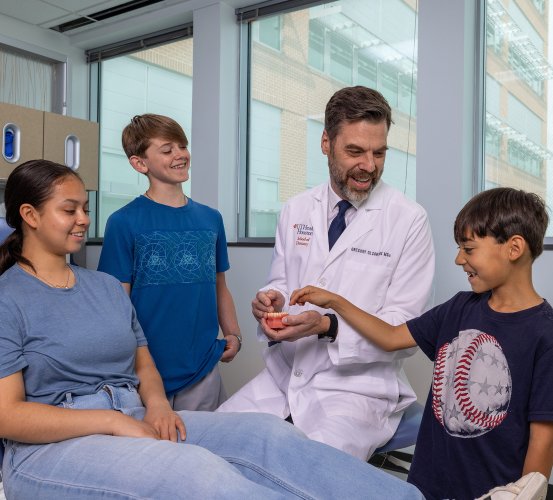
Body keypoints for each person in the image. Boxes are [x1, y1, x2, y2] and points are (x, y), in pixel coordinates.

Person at [0, 159, 425, 499]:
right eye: (69, 210)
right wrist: (110, 422)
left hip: (134, 413)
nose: (84, 220)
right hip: (50, 447)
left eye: (86, 209)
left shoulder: (105, 287)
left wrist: (158, 407)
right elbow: (8, 416)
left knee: (264, 434)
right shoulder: (9, 296)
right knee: (197, 471)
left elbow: (142, 363)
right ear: (29, 215)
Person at [289, 187, 553, 499]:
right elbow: (390, 336)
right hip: (425, 489)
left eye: (468, 249)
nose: (458, 259)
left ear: (514, 248)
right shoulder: (458, 308)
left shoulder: (544, 334)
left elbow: (543, 440)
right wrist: (336, 301)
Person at [217, 86, 435, 460]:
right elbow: (284, 282)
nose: (369, 165)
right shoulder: (297, 209)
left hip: (357, 388)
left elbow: (406, 328)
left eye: (379, 152)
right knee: (212, 443)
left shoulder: (409, 220)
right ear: (326, 143)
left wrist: (328, 326)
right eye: (355, 151)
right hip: (285, 375)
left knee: (309, 470)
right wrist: (272, 301)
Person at [98, 114, 240, 411]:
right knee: (155, 455)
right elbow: (115, 303)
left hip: (203, 366)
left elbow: (220, 286)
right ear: (140, 163)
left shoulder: (211, 219)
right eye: (167, 150)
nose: (180, 155)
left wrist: (233, 333)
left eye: (182, 146)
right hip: (143, 371)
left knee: (211, 450)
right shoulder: (123, 222)